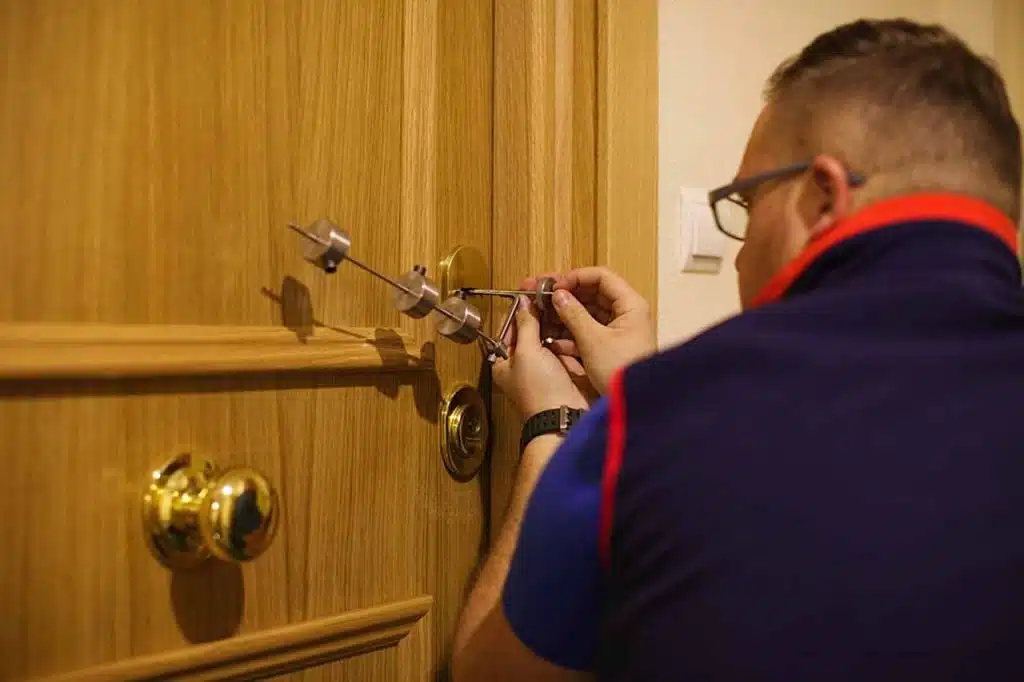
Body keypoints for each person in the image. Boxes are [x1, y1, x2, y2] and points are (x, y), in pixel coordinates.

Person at [451, 17, 1024, 682]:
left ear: (822, 196)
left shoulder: (649, 427)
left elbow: (489, 674)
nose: (741, 253)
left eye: (747, 206)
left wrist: (558, 428)